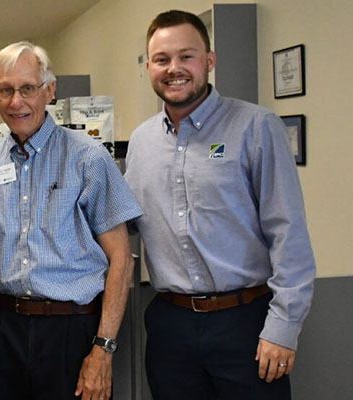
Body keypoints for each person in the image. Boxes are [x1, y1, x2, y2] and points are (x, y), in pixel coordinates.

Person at [125, 10, 316, 399]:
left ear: (209, 61)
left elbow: (288, 232)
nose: (174, 68)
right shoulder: (142, 141)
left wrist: (282, 329)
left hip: (246, 323)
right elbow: (126, 221)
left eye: (187, 56)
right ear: (148, 67)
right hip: (169, 327)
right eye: (162, 59)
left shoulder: (256, 127)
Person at [0, 41, 142, 400]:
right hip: (2, 328)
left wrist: (103, 349)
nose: (17, 101)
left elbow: (121, 259)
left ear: (49, 90)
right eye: (6, 90)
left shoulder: (88, 159)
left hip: (72, 329)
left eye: (28, 88)